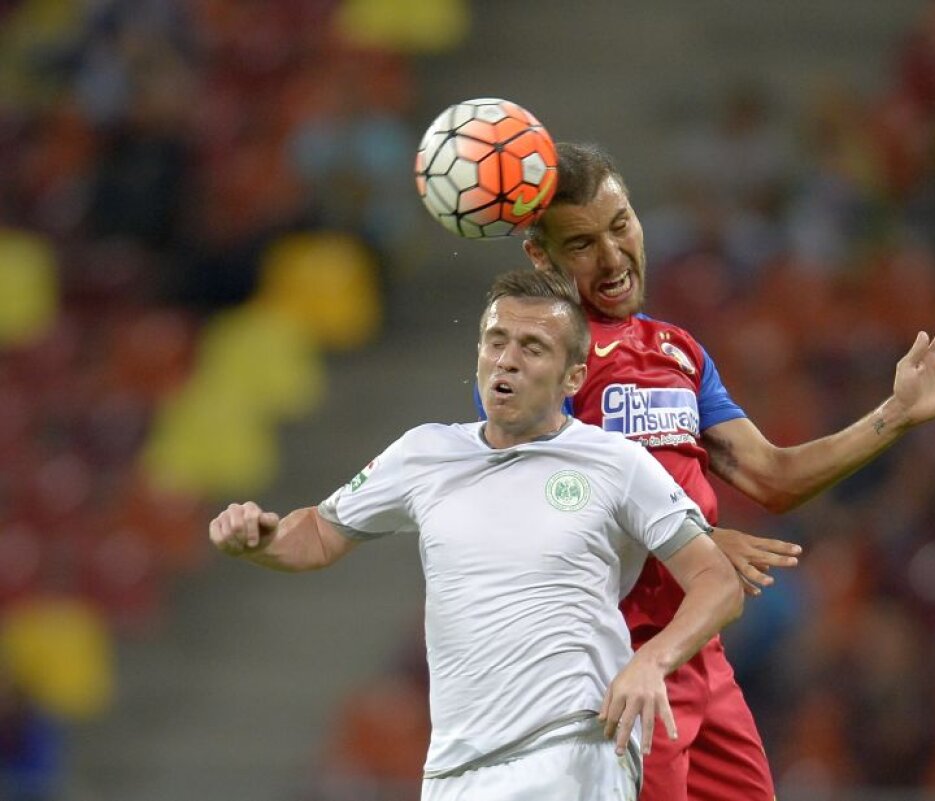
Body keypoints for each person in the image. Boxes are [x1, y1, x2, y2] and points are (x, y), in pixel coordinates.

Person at [521, 142, 935, 801]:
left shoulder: (677, 352)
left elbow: (774, 475)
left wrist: (898, 413)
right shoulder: (535, 358)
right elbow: (534, 513)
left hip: (699, 657)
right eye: (581, 244)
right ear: (540, 257)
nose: (613, 258)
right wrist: (691, 543)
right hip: (615, 666)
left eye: (620, 225)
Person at [209, 269, 747, 801]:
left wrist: (651, 661)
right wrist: (262, 539)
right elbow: (319, 536)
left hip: (575, 751)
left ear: (573, 378)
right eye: (497, 341)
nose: (507, 359)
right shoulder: (424, 453)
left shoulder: (615, 462)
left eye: (533, 347)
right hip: (457, 770)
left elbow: (716, 581)